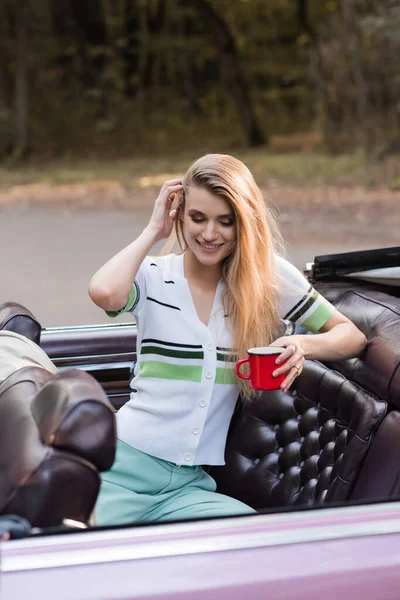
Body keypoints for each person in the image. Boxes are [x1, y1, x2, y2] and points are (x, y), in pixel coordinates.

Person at [88, 153, 367, 525]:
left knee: (254, 541)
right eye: (198, 218)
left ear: (244, 223)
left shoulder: (266, 278)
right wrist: (153, 231)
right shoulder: (153, 276)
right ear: (180, 215)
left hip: (188, 487)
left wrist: (302, 345)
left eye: (226, 221)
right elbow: (104, 292)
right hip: (121, 469)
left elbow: (351, 336)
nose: (208, 234)